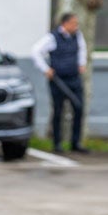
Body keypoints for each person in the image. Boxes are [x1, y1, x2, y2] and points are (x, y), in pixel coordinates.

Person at [31, 12, 88, 153]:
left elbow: (82, 50)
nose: (76, 26)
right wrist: (46, 69)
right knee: (58, 111)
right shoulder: (53, 37)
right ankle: (57, 143)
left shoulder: (77, 36)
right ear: (65, 23)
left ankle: (76, 142)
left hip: (74, 78)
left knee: (79, 107)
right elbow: (35, 51)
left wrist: (82, 64)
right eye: (74, 23)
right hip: (58, 80)